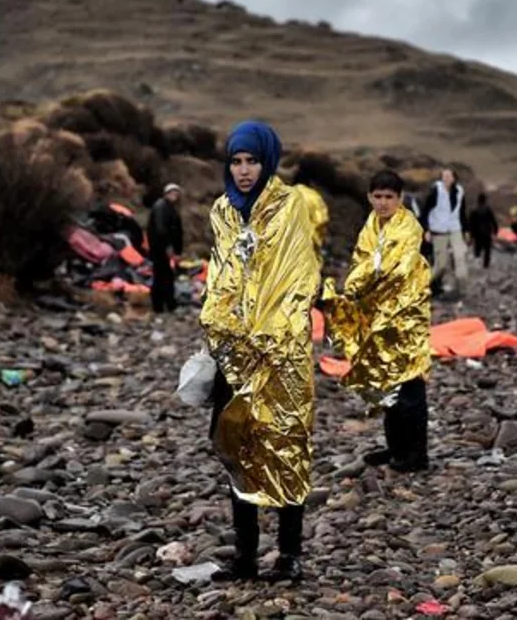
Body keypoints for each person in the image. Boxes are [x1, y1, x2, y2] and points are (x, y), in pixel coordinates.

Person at [200, 120, 320, 583]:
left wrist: (269, 338)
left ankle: (289, 554)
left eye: (252, 160)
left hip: (281, 351)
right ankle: (245, 556)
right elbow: (221, 277)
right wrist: (216, 329)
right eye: (236, 160)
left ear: (267, 160)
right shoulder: (222, 211)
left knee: (286, 443)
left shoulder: (291, 206)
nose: (244, 170)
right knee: (237, 444)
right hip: (234, 350)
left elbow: (297, 279)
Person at [321, 170, 431, 472]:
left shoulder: (409, 229)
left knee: (409, 383)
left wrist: (362, 282)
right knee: (385, 382)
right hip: (376, 315)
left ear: (400, 199)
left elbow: (394, 271)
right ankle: (396, 446)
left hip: (404, 316)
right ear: (370, 197)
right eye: (378, 196)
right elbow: (362, 263)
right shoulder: (370, 226)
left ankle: (416, 454)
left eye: (389, 197)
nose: (383, 203)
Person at [420, 168, 468, 297]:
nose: (446, 178)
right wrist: (426, 230)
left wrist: (466, 231)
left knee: (460, 257)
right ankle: (422, 285)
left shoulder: (459, 191)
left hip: (455, 229)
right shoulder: (435, 191)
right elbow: (425, 211)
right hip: (438, 230)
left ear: (454, 178)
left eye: (448, 176)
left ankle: (461, 288)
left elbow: (462, 212)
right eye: (443, 176)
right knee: (441, 264)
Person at [148, 182, 184, 312]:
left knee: (166, 276)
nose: (174, 195)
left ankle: (168, 304)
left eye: (176, 193)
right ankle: (160, 306)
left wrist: (178, 251)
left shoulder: (171, 208)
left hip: (166, 249)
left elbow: (177, 231)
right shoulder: (161, 207)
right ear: (166, 194)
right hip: (160, 249)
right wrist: (168, 247)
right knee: (161, 276)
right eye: (172, 192)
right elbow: (160, 229)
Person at [467, 193, 499, 269]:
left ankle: (477, 261)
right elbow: (493, 220)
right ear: (485, 200)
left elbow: (470, 223)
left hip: (477, 233)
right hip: (486, 232)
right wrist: (495, 230)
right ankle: (485, 264)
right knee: (487, 250)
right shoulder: (488, 209)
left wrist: (470, 234)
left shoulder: (473, 209)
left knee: (477, 248)